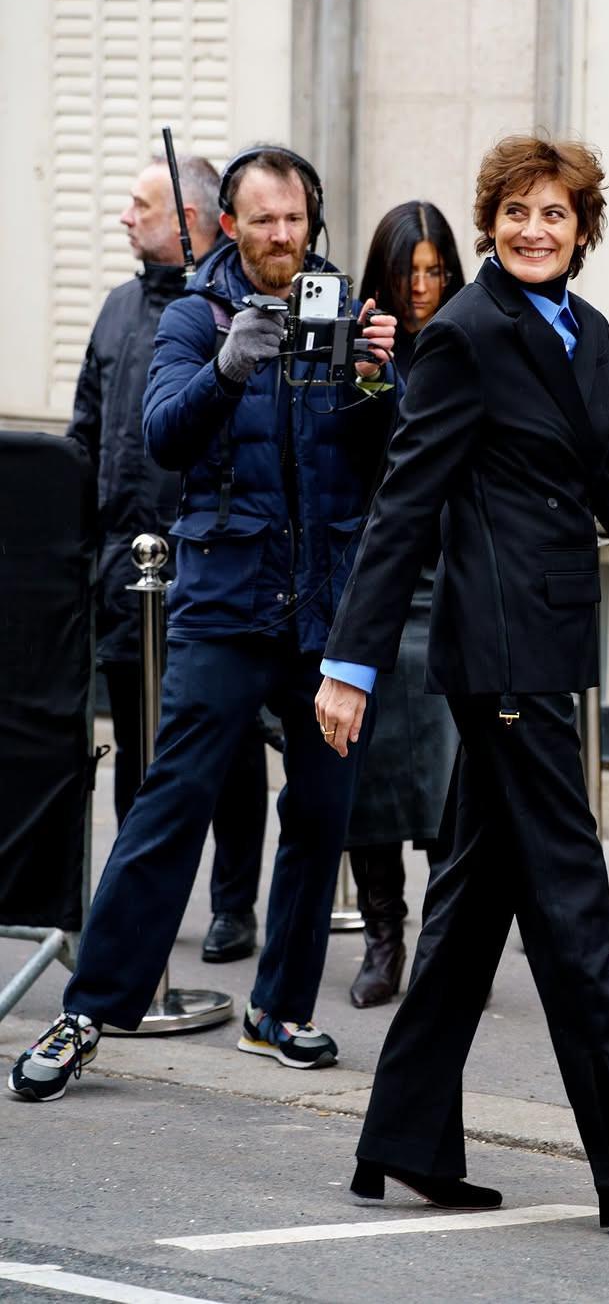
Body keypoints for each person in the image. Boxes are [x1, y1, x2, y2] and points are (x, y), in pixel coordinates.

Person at [315, 135, 609, 1229]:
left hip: (547, 645)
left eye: (554, 214)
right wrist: (351, 663)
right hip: (498, 658)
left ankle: (402, 1139)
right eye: (515, 213)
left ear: (582, 227)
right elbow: (406, 503)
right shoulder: (465, 334)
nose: (533, 230)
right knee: (573, 910)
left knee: (469, 910)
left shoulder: (585, 331)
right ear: (490, 223)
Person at [8, 145, 395, 1102]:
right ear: (229, 224)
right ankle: (89, 1011)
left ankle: (278, 1011)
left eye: (296, 220)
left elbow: (386, 461)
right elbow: (162, 435)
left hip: (324, 610)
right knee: (170, 802)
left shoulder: (342, 312)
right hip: (225, 600)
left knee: (321, 813)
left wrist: (382, 379)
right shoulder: (194, 314)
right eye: (263, 220)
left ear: (314, 220)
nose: (282, 237)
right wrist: (227, 368)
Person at [66, 155, 269, 968]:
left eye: (141, 206)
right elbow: (87, 432)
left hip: (206, 566)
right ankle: (139, 905)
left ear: (192, 220)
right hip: (122, 570)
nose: (125, 217)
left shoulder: (223, 313)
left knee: (231, 745)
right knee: (137, 744)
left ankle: (233, 906)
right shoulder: (117, 309)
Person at [344, 201, 465, 1008]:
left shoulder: (470, 342)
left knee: (455, 779)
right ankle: (382, 937)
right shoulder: (357, 350)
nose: (420, 289)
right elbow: (351, 461)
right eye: (405, 273)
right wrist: (363, 377)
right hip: (378, 581)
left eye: (434, 272)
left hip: (454, 579)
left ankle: (451, 945)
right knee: (374, 770)